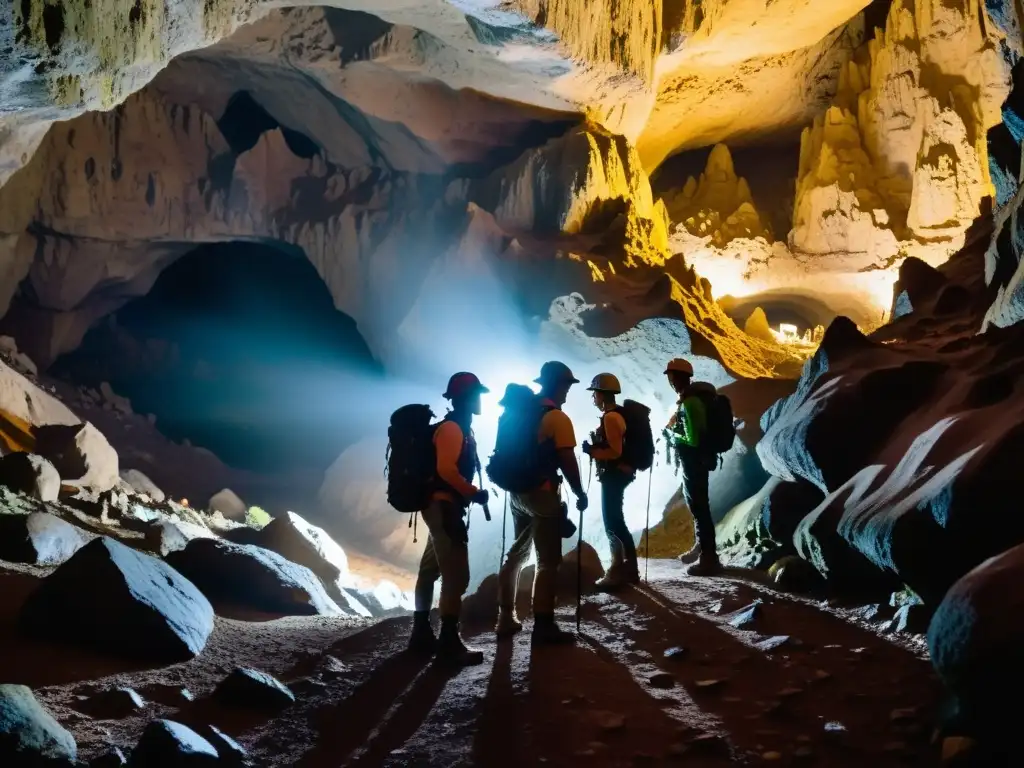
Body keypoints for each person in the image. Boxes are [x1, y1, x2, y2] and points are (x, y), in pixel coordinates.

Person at [496, 361, 588, 645]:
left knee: (516, 555)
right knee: (548, 561)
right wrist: (579, 491)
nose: (567, 392)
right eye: (566, 386)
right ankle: (544, 625)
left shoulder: (518, 412)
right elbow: (567, 460)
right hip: (543, 494)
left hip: (517, 493)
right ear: (558, 385)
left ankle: (505, 617)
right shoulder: (556, 418)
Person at [409, 372, 491, 664]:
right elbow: (446, 470)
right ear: (467, 398)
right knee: (457, 575)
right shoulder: (453, 429)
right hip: (443, 508)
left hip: (438, 507)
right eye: (477, 395)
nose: (480, 400)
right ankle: (448, 643)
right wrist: (473, 492)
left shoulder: (457, 427)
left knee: (430, 570)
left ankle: (420, 633)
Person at [581, 373, 639, 591]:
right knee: (616, 520)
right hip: (618, 474)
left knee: (612, 522)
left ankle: (618, 570)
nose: (593, 399)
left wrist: (593, 451)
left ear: (602, 394)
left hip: (614, 475)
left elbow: (615, 451)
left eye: (594, 394)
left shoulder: (611, 417)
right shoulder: (615, 415)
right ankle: (629, 569)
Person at [664, 358, 721, 576]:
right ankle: (702, 548)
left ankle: (709, 557)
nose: (670, 381)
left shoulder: (690, 403)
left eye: (672, 377)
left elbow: (694, 439)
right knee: (697, 506)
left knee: (700, 507)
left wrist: (673, 433)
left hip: (695, 462)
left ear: (679, 377)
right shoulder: (688, 401)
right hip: (695, 462)